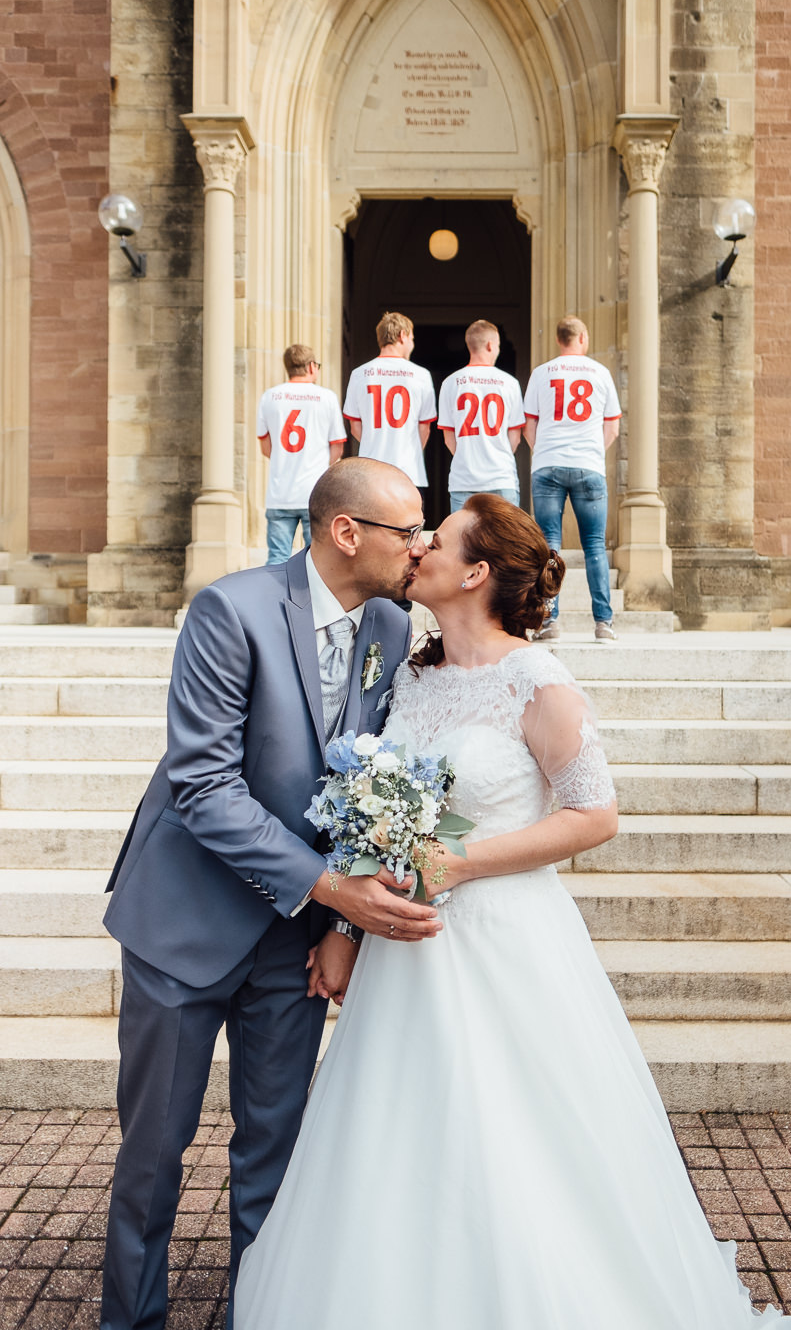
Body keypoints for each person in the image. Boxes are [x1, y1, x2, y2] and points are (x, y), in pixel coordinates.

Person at [234, 495, 791, 1330]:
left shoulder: (536, 679)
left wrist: (460, 863)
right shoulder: (410, 674)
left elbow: (594, 814)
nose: (419, 545)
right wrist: (344, 926)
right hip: (406, 948)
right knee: (401, 1135)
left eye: (440, 537)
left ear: (475, 572)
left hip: (506, 941)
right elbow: (380, 812)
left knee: (516, 1139)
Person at [99, 458, 442, 1330]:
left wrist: (340, 926)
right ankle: (130, 1320)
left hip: (295, 945)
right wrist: (331, 891)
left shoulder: (393, 632)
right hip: (186, 924)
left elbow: (373, 789)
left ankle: (260, 1312)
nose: (422, 544)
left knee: (275, 1153)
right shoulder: (232, 608)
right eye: (409, 530)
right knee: (153, 1154)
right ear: (346, 532)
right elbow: (205, 785)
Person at [523, 314, 621, 641]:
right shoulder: (601, 373)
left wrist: (544, 451)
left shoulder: (541, 373)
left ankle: (550, 620)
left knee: (550, 546)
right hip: (588, 464)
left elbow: (529, 426)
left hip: (548, 463)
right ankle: (603, 623)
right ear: (583, 338)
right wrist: (593, 451)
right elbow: (612, 427)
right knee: (595, 545)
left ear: (558, 340)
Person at [256, 344, 346, 564]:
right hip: (313, 491)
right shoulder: (326, 397)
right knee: (315, 560)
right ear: (312, 367)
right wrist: (319, 465)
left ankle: (272, 600)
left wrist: (284, 461)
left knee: (277, 557)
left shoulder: (270, 397)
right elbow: (338, 446)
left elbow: (265, 447)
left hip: (279, 492)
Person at [342, 311, 437, 491]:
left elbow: (355, 426)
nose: (412, 345)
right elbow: (424, 428)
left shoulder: (360, 373)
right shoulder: (421, 375)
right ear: (402, 336)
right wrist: (411, 451)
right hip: (409, 471)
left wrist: (374, 441)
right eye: (412, 339)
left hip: (370, 471)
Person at [437, 319, 524, 512]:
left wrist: (468, 456)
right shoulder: (509, 383)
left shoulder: (451, 383)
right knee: (506, 541)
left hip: (464, 479)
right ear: (490, 345)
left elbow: (449, 437)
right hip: (502, 477)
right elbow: (515, 436)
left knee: (463, 540)